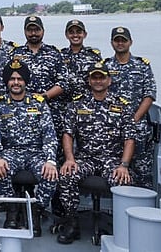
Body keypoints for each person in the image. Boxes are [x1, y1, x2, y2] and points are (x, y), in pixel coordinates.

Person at [56, 62, 136, 244]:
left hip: (112, 160)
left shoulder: (121, 105)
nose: (98, 81)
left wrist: (124, 165)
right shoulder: (77, 104)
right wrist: (69, 159)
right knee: (67, 176)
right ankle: (72, 223)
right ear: (89, 80)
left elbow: (129, 139)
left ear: (109, 80)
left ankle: (122, 227)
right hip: (86, 158)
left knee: (123, 181)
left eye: (102, 77)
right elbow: (68, 134)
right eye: (95, 77)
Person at [0, 59, 59, 237]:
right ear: (7, 82)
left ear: (25, 81)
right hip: (10, 153)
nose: (16, 82)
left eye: (20, 78)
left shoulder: (39, 103)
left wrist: (50, 160)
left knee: (50, 176)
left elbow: (49, 134)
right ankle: (13, 208)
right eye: (12, 79)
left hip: (36, 153)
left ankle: (35, 209)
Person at [103, 26, 157, 190]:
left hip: (138, 126)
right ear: (112, 43)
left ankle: (144, 209)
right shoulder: (105, 66)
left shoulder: (142, 66)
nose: (120, 43)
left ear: (130, 42)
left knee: (142, 172)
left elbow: (149, 95)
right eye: (116, 40)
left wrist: (134, 119)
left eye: (123, 40)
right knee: (116, 170)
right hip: (113, 127)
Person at [12, 16, 70, 132]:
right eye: (30, 30)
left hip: (51, 110)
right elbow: (9, 81)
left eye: (37, 30)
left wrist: (44, 96)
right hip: (22, 111)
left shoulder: (54, 53)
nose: (33, 33)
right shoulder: (15, 55)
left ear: (43, 31)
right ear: (24, 31)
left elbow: (63, 83)